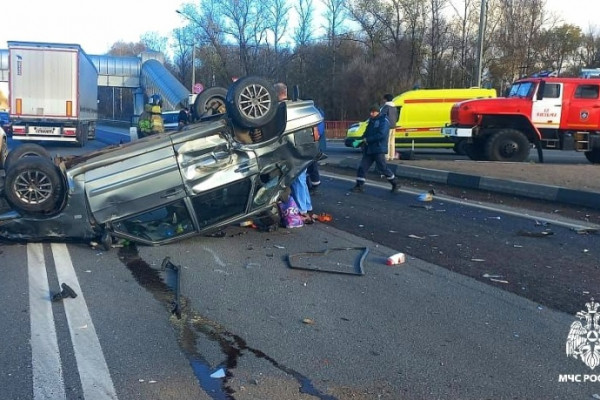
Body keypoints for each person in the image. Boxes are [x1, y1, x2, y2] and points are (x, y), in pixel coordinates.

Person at [276, 82, 314, 223]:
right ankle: (307, 206)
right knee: (301, 179)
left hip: (291, 149)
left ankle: (301, 209)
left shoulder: (281, 109)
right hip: (304, 147)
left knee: (297, 179)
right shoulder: (297, 106)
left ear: (276, 93)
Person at [350, 105, 399, 193]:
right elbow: (367, 132)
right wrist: (360, 140)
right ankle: (359, 186)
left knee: (382, 168)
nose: (371, 114)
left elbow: (381, 135)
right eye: (370, 112)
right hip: (369, 148)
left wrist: (367, 139)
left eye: (373, 112)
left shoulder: (383, 121)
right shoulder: (371, 121)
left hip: (378, 148)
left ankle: (395, 183)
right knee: (362, 167)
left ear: (378, 112)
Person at [307, 106, 326, 194]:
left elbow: (318, 133)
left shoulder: (316, 116)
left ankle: (315, 184)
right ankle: (313, 184)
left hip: (314, 145)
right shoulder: (317, 114)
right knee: (310, 165)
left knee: (312, 164)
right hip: (314, 145)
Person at [380, 93, 398, 160]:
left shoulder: (386, 107)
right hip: (394, 125)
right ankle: (392, 156)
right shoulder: (394, 107)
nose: (383, 100)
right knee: (392, 142)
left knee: (386, 141)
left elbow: (382, 116)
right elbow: (396, 116)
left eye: (384, 99)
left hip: (387, 126)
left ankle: (386, 156)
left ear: (386, 99)